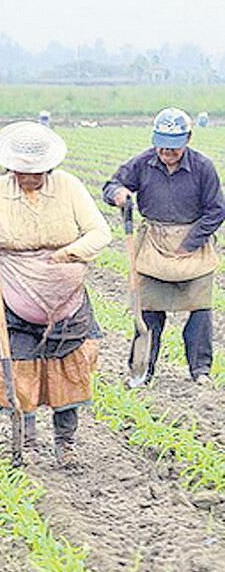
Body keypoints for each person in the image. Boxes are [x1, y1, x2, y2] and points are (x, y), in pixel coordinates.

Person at [0, 122, 110, 466]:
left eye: (37, 171)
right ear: (10, 167)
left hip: (65, 297)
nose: (30, 177)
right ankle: (27, 445)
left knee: (67, 368)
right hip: (13, 293)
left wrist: (66, 255)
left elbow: (99, 233)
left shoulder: (69, 187)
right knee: (21, 369)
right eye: (23, 171)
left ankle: (66, 445)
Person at [103, 108, 225, 386]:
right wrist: (118, 194)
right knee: (148, 311)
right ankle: (142, 370)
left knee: (201, 310)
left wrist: (190, 243)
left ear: (188, 140)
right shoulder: (143, 162)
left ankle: (200, 371)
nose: (167, 152)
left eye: (174, 147)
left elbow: (216, 211)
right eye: (163, 145)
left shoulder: (203, 167)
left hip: (193, 244)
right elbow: (112, 184)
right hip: (154, 243)